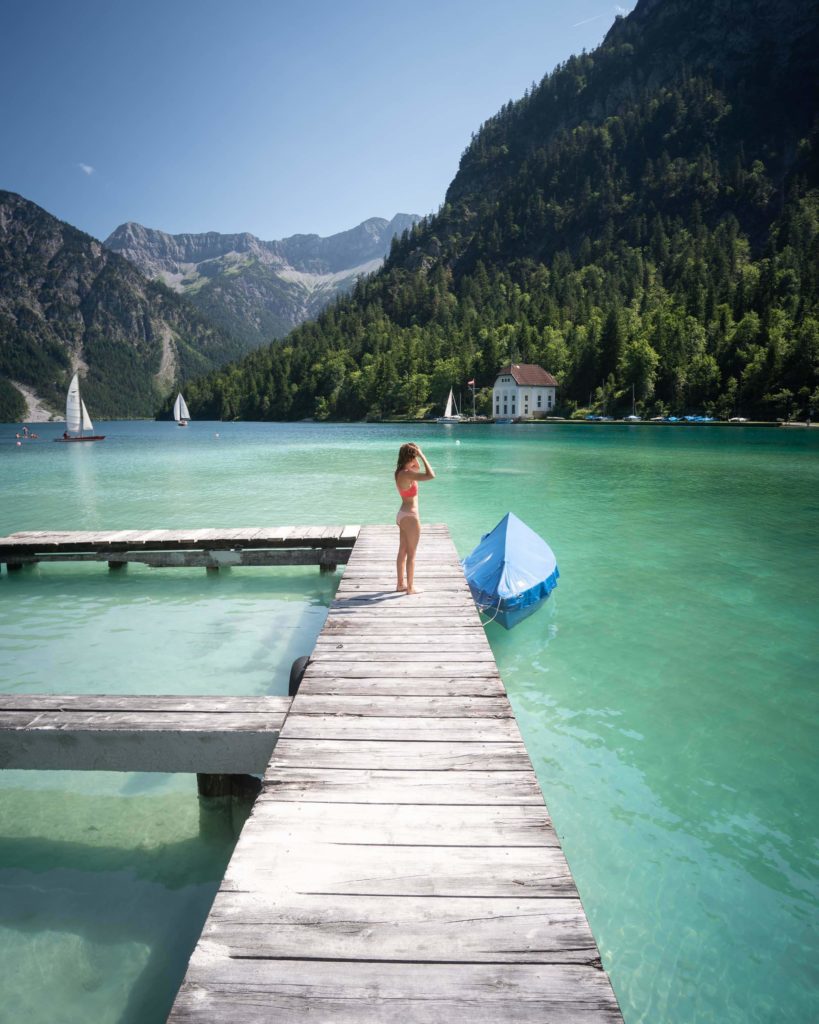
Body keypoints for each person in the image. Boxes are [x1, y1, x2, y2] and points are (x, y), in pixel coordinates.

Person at [394, 442, 435, 595]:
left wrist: (414, 453)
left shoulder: (400, 472)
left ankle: (400, 584)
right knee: (412, 553)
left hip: (402, 515)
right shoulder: (407, 473)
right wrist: (422, 455)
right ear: (411, 456)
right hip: (411, 516)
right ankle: (410, 588)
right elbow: (431, 475)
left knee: (403, 551)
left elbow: (416, 468)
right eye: (414, 456)